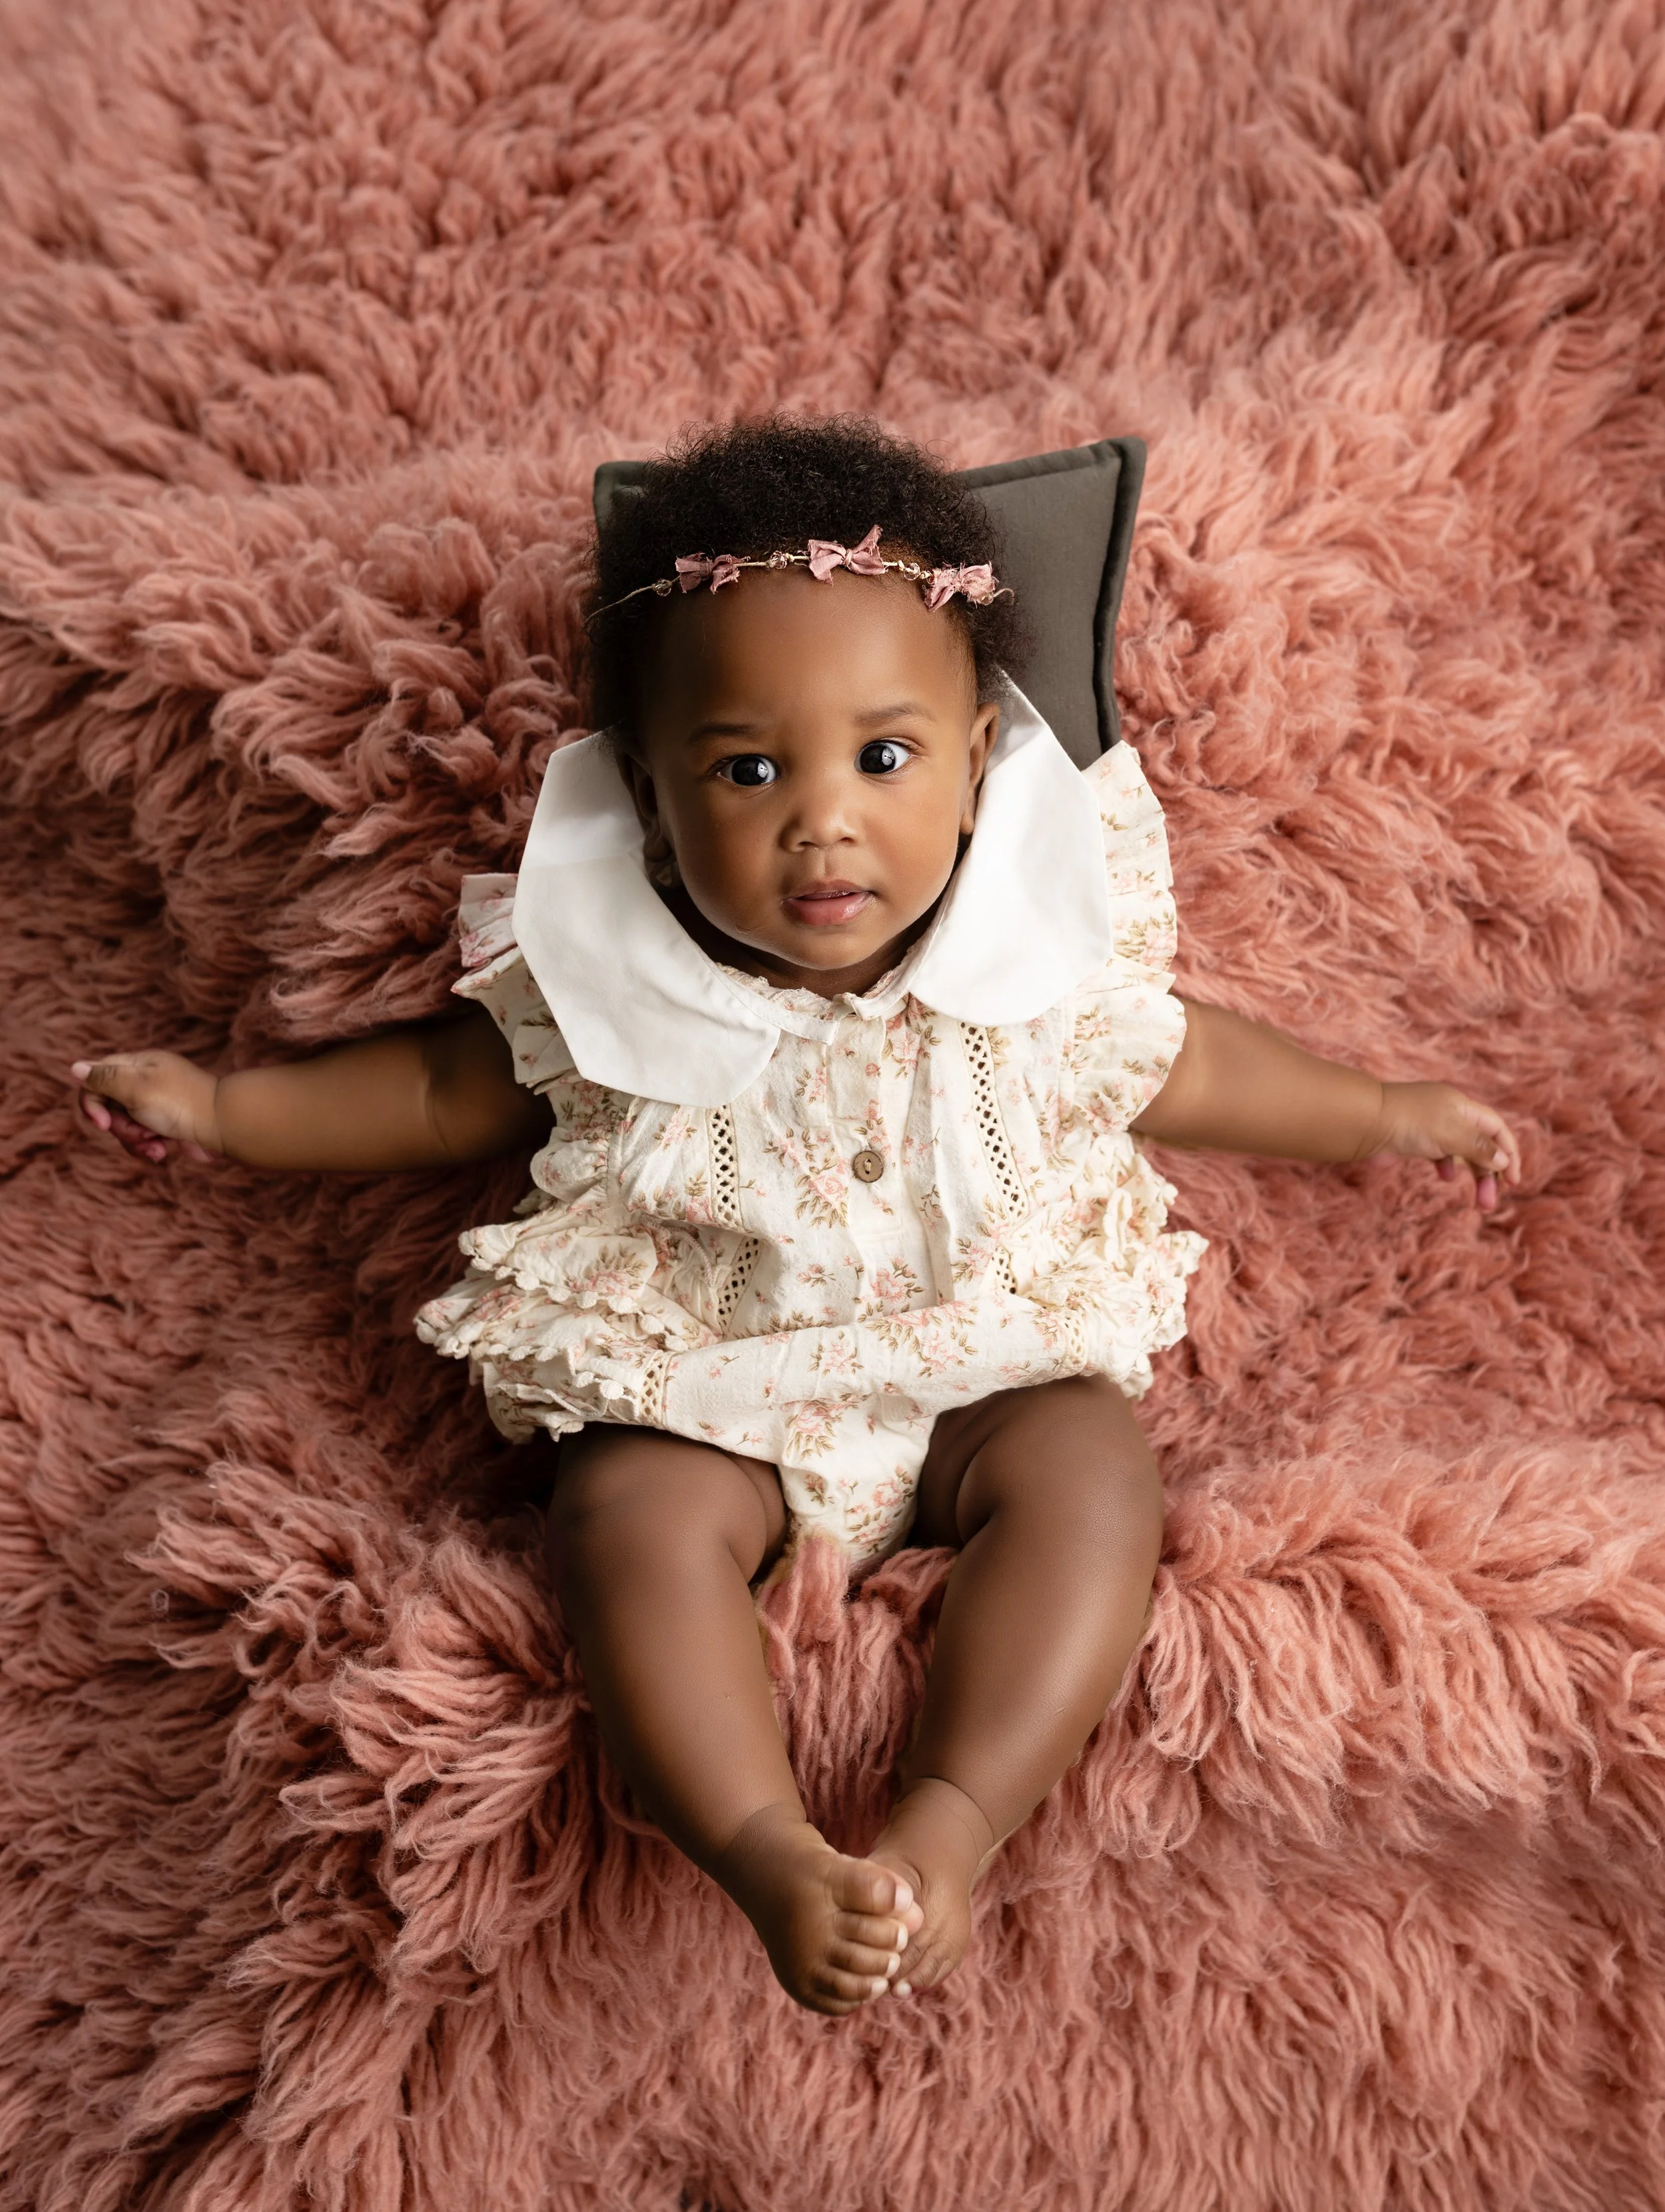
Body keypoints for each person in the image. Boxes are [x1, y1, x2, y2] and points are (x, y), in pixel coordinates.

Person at [72, 416, 1519, 2018]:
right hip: (716, 1387)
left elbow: (1188, 1063)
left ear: (975, 761)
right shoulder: (620, 987)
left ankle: (948, 1825)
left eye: (880, 758)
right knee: (625, 1517)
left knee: (1092, 1473)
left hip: (980, 1371)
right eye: (747, 769)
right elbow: (432, 1092)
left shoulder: (1031, 973)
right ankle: (760, 1844)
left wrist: (1379, 1111)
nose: (820, 820)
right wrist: (225, 1111)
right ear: (649, 792)